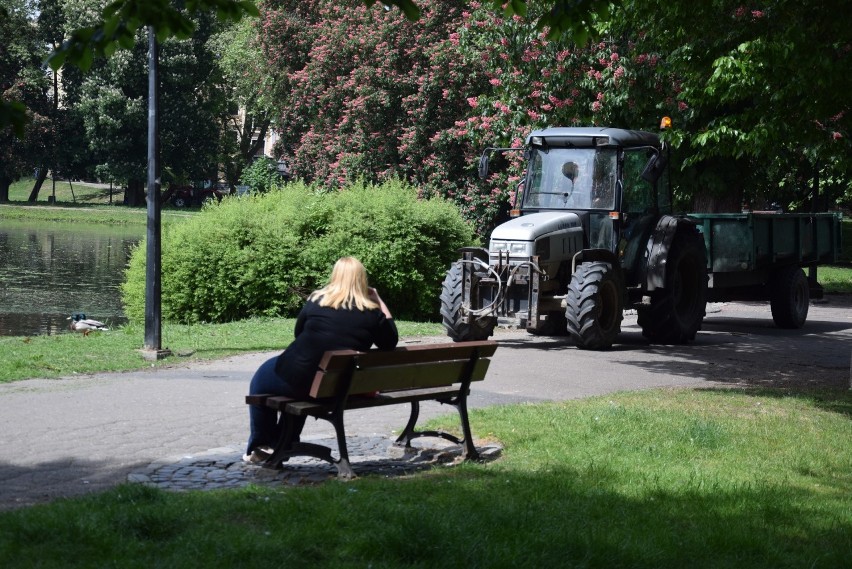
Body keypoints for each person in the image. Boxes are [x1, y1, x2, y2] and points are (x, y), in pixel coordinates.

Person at [244, 256, 398, 463]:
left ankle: (261, 444)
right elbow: (390, 342)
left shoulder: (317, 300)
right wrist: (378, 301)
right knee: (304, 384)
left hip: (301, 374)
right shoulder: (372, 314)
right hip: (335, 387)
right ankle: (283, 444)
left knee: (261, 380)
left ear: (335, 277)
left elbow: (299, 333)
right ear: (362, 280)